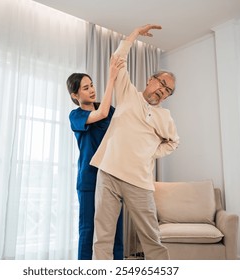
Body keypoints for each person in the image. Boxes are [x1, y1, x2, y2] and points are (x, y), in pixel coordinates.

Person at [90, 24, 180, 260]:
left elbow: (173, 143)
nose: (163, 90)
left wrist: (151, 152)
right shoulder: (127, 93)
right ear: (151, 80)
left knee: (152, 240)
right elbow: (118, 59)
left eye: (168, 91)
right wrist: (134, 35)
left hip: (139, 181)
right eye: (161, 84)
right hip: (108, 173)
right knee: (103, 238)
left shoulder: (165, 117)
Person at [67, 55, 125, 260]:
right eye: (85, 88)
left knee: (116, 231)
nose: (91, 89)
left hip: (113, 178)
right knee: (88, 230)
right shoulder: (76, 116)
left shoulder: (109, 110)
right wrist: (111, 78)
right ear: (75, 95)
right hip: (90, 180)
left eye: (91, 85)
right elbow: (99, 115)